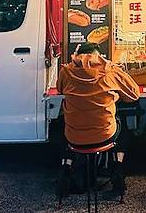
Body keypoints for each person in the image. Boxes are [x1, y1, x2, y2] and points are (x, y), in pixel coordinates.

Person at [56, 42, 140, 199]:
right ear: (99, 55)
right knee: (124, 129)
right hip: (104, 137)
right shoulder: (110, 70)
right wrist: (114, 94)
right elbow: (134, 95)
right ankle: (117, 173)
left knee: (63, 125)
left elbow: (60, 89)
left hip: (74, 139)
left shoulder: (66, 71)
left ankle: (65, 172)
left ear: (77, 55)